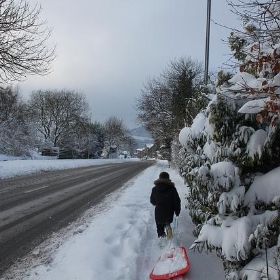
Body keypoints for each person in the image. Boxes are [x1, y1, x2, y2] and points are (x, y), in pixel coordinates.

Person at [150, 171, 181, 239]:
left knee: (159, 228)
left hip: (158, 211)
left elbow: (152, 201)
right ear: (168, 178)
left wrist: (157, 203)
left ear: (159, 178)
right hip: (169, 211)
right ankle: (168, 228)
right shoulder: (172, 189)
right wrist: (177, 211)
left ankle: (162, 240)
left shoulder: (154, 189)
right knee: (167, 222)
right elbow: (177, 201)